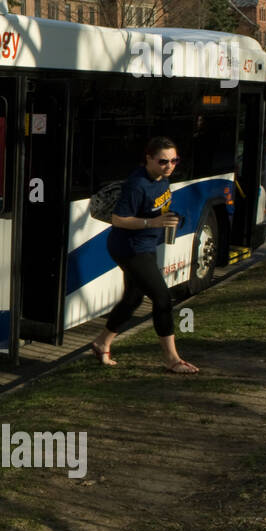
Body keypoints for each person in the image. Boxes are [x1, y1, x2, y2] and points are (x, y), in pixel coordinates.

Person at [89, 136, 198, 373]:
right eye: (163, 161)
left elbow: (161, 207)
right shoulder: (137, 184)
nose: (169, 166)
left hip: (146, 245)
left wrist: (171, 218)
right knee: (162, 298)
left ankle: (101, 343)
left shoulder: (162, 180)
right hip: (129, 248)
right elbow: (119, 219)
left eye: (174, 160)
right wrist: (153, 222)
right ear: (148, 158)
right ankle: (172, 359)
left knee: (133, 298)